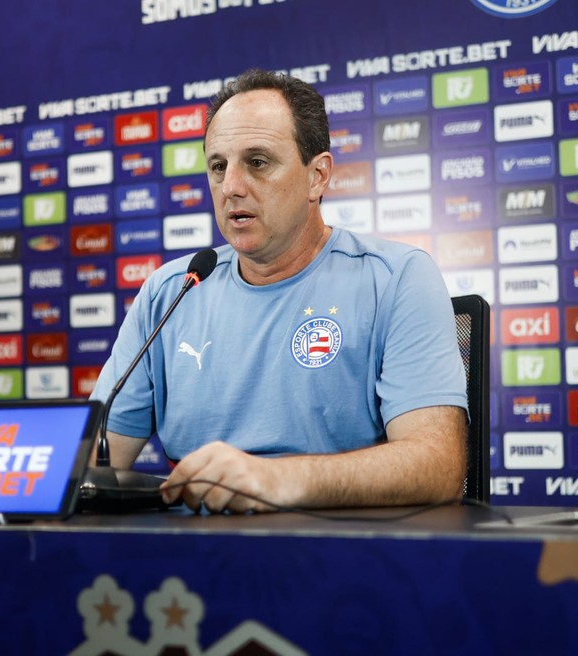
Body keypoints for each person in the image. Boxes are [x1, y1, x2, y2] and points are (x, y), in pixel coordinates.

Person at [90, 68, 468, 514]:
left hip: (337, 546)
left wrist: (277, 479)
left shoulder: (396, 278)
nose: (231, 187)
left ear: (317, 176)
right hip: (192, 550)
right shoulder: (171, 292)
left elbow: (438, 465)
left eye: (257, 162)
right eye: (218, 166)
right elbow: (88, 462)